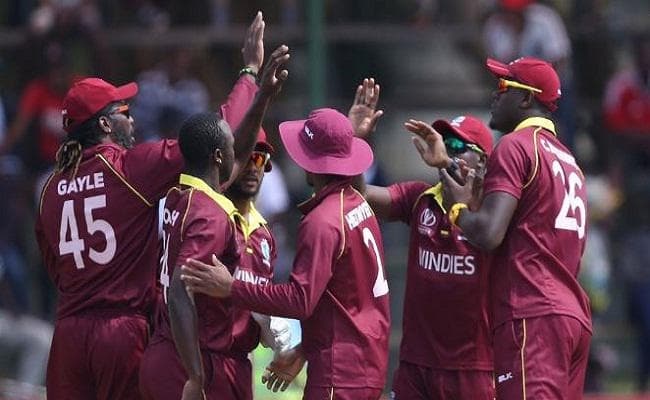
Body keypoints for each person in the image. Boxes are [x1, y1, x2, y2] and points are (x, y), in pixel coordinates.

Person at [34, 12, 276, 399]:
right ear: (106, 126)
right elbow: (215, 135)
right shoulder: (129, 169)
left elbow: (54, 268)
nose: (132, 121)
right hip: (120, 331)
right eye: (124, 113)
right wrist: (249, 73)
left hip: (67, 335)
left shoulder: (49, 187)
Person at [182, 107, 391, 400]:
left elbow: (300, 300)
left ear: (309, 161)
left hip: (338, 374)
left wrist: (231, 287)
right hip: (366, 366)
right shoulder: (358, 204)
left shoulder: (323, 221)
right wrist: (304, 350)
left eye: (260, 159)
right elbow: (342, 298)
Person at [431, 57, 591, 399]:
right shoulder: (569, 161)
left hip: (533, 312)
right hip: (572, 315)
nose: (495, 93)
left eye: (504, 86)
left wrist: (457, 207)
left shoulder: (515, 145)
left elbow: (489, 233)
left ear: (526, 98)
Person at [138, 44, 290, 400]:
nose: (247, 161)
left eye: (259, 159)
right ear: (220, 156)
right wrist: (195, 375)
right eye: (238, 150)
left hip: (203, 357)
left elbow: (241, 146)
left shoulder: (180, 195)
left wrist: (262, 93)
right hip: (198, 359)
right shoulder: (210, 213)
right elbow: (180, 289)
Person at [351, 78, 495, 399]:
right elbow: (358, 194)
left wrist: (447, 163)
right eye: (444, 142)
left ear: (484, 161)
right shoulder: (420, 198)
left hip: (474, 370)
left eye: (457, 146)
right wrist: (357, 141)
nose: (444, 150)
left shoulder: (494, 215)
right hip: (417, 367)